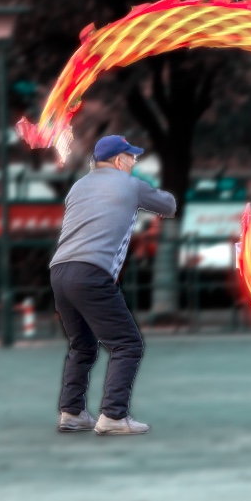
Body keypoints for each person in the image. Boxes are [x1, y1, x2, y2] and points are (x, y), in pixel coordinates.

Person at [50, 134, 177, 435]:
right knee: (127, 344)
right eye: (132, 158)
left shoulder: (78, 186)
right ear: (120, 160)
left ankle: (72, 412)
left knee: (82, 345)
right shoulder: (129, 184)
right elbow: (169, 205)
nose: (134, 162)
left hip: (59, 271)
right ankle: (113, 416)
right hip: (91, 273)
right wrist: (146, 190)